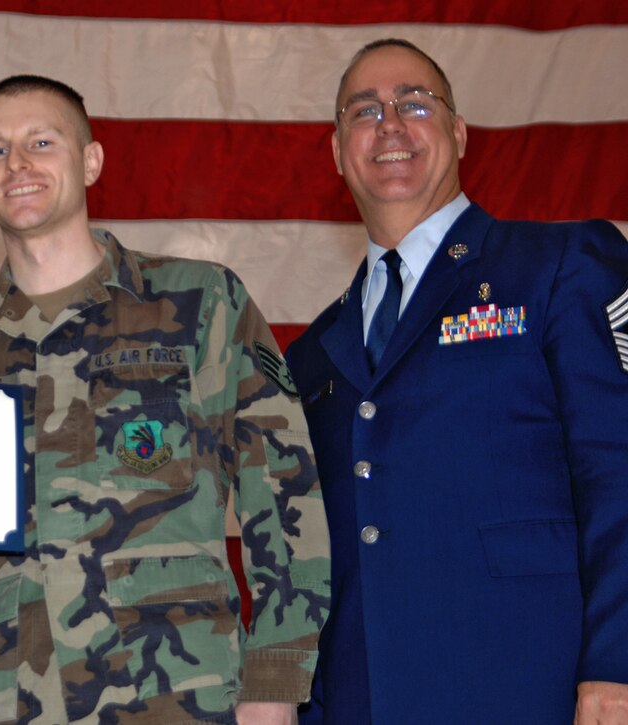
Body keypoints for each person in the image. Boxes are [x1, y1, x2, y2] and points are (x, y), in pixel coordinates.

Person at [0, 74, 330, 724]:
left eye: (41, 141)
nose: (19, 164)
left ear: (90, 160)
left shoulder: (199, 304)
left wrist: (275, 681)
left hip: (175, 695)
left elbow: (285, 490)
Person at [285, 38, 628, 724]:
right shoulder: (312, 354)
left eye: (415, 103)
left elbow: (618, 469)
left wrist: (616, 667)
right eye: (363, 110)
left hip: (532, 687)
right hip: (361, 701)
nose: (389, 123)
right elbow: (308, 555)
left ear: (459, 133)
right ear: (336, 152)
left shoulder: (560, 265)